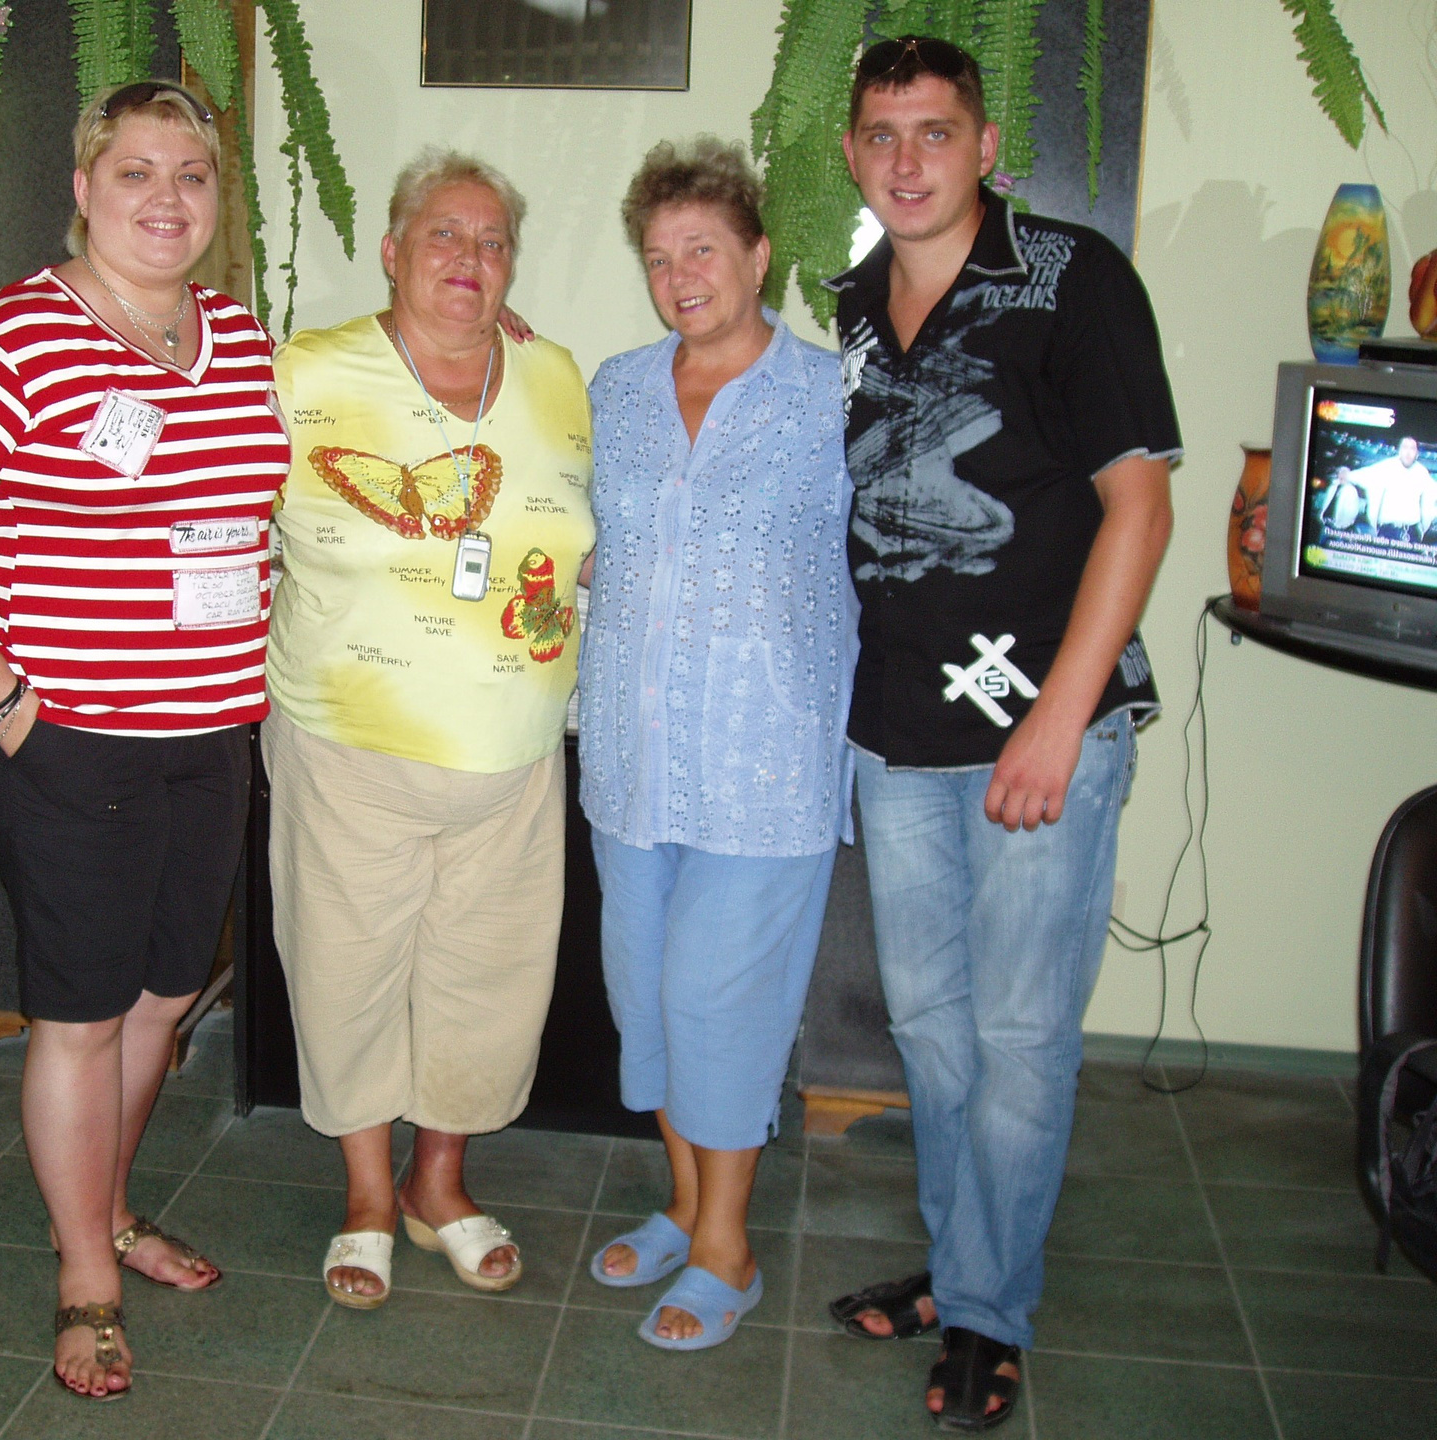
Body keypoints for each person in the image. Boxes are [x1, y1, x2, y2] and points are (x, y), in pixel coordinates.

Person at [0, 81, 287, 1402]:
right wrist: (7, 710)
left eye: (192, 174)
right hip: (70, 745)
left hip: (209, 734)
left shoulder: (236, 336)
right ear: (85, 190)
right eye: (135, 171)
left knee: (161, 1000)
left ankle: (104, 1207)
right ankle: (85, 1279)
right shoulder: (15, 337)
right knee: (82, 1019)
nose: (167, 197)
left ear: (217, 199)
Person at [823, 35, 1178, 1432]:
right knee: (932, 1031)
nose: (907, 160)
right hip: (899, 737)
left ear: (984, 147)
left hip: (1044, 733)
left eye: (935, 133)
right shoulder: (853, 309)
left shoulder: (1074, 278)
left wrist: (1058, 719)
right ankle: (967, 1267)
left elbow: (1139, 507)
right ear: (852, 154)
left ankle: (987, 1312)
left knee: (1021, 1036)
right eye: (882, 135)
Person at [263, 149, 595, 1310]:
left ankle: (437, 1183)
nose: (470, 257)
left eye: (493, 240)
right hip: (346, 746)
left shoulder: (555, 375)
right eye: (444, 235)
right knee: (344, 970)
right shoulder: (306, 373)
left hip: (512, 754)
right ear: (393, 251)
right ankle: (366, 1194)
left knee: (488, 980)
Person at [575, 137, 854, 1351]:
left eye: (702, 249)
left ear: (757, 255)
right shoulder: (617, 389)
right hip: (632, 760)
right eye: (658, 257)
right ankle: (688, 1205)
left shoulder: (832, 397)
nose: (680, 275)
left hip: (765, 764)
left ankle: (728, 1250)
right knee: (645, 997)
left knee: (718, 1005)